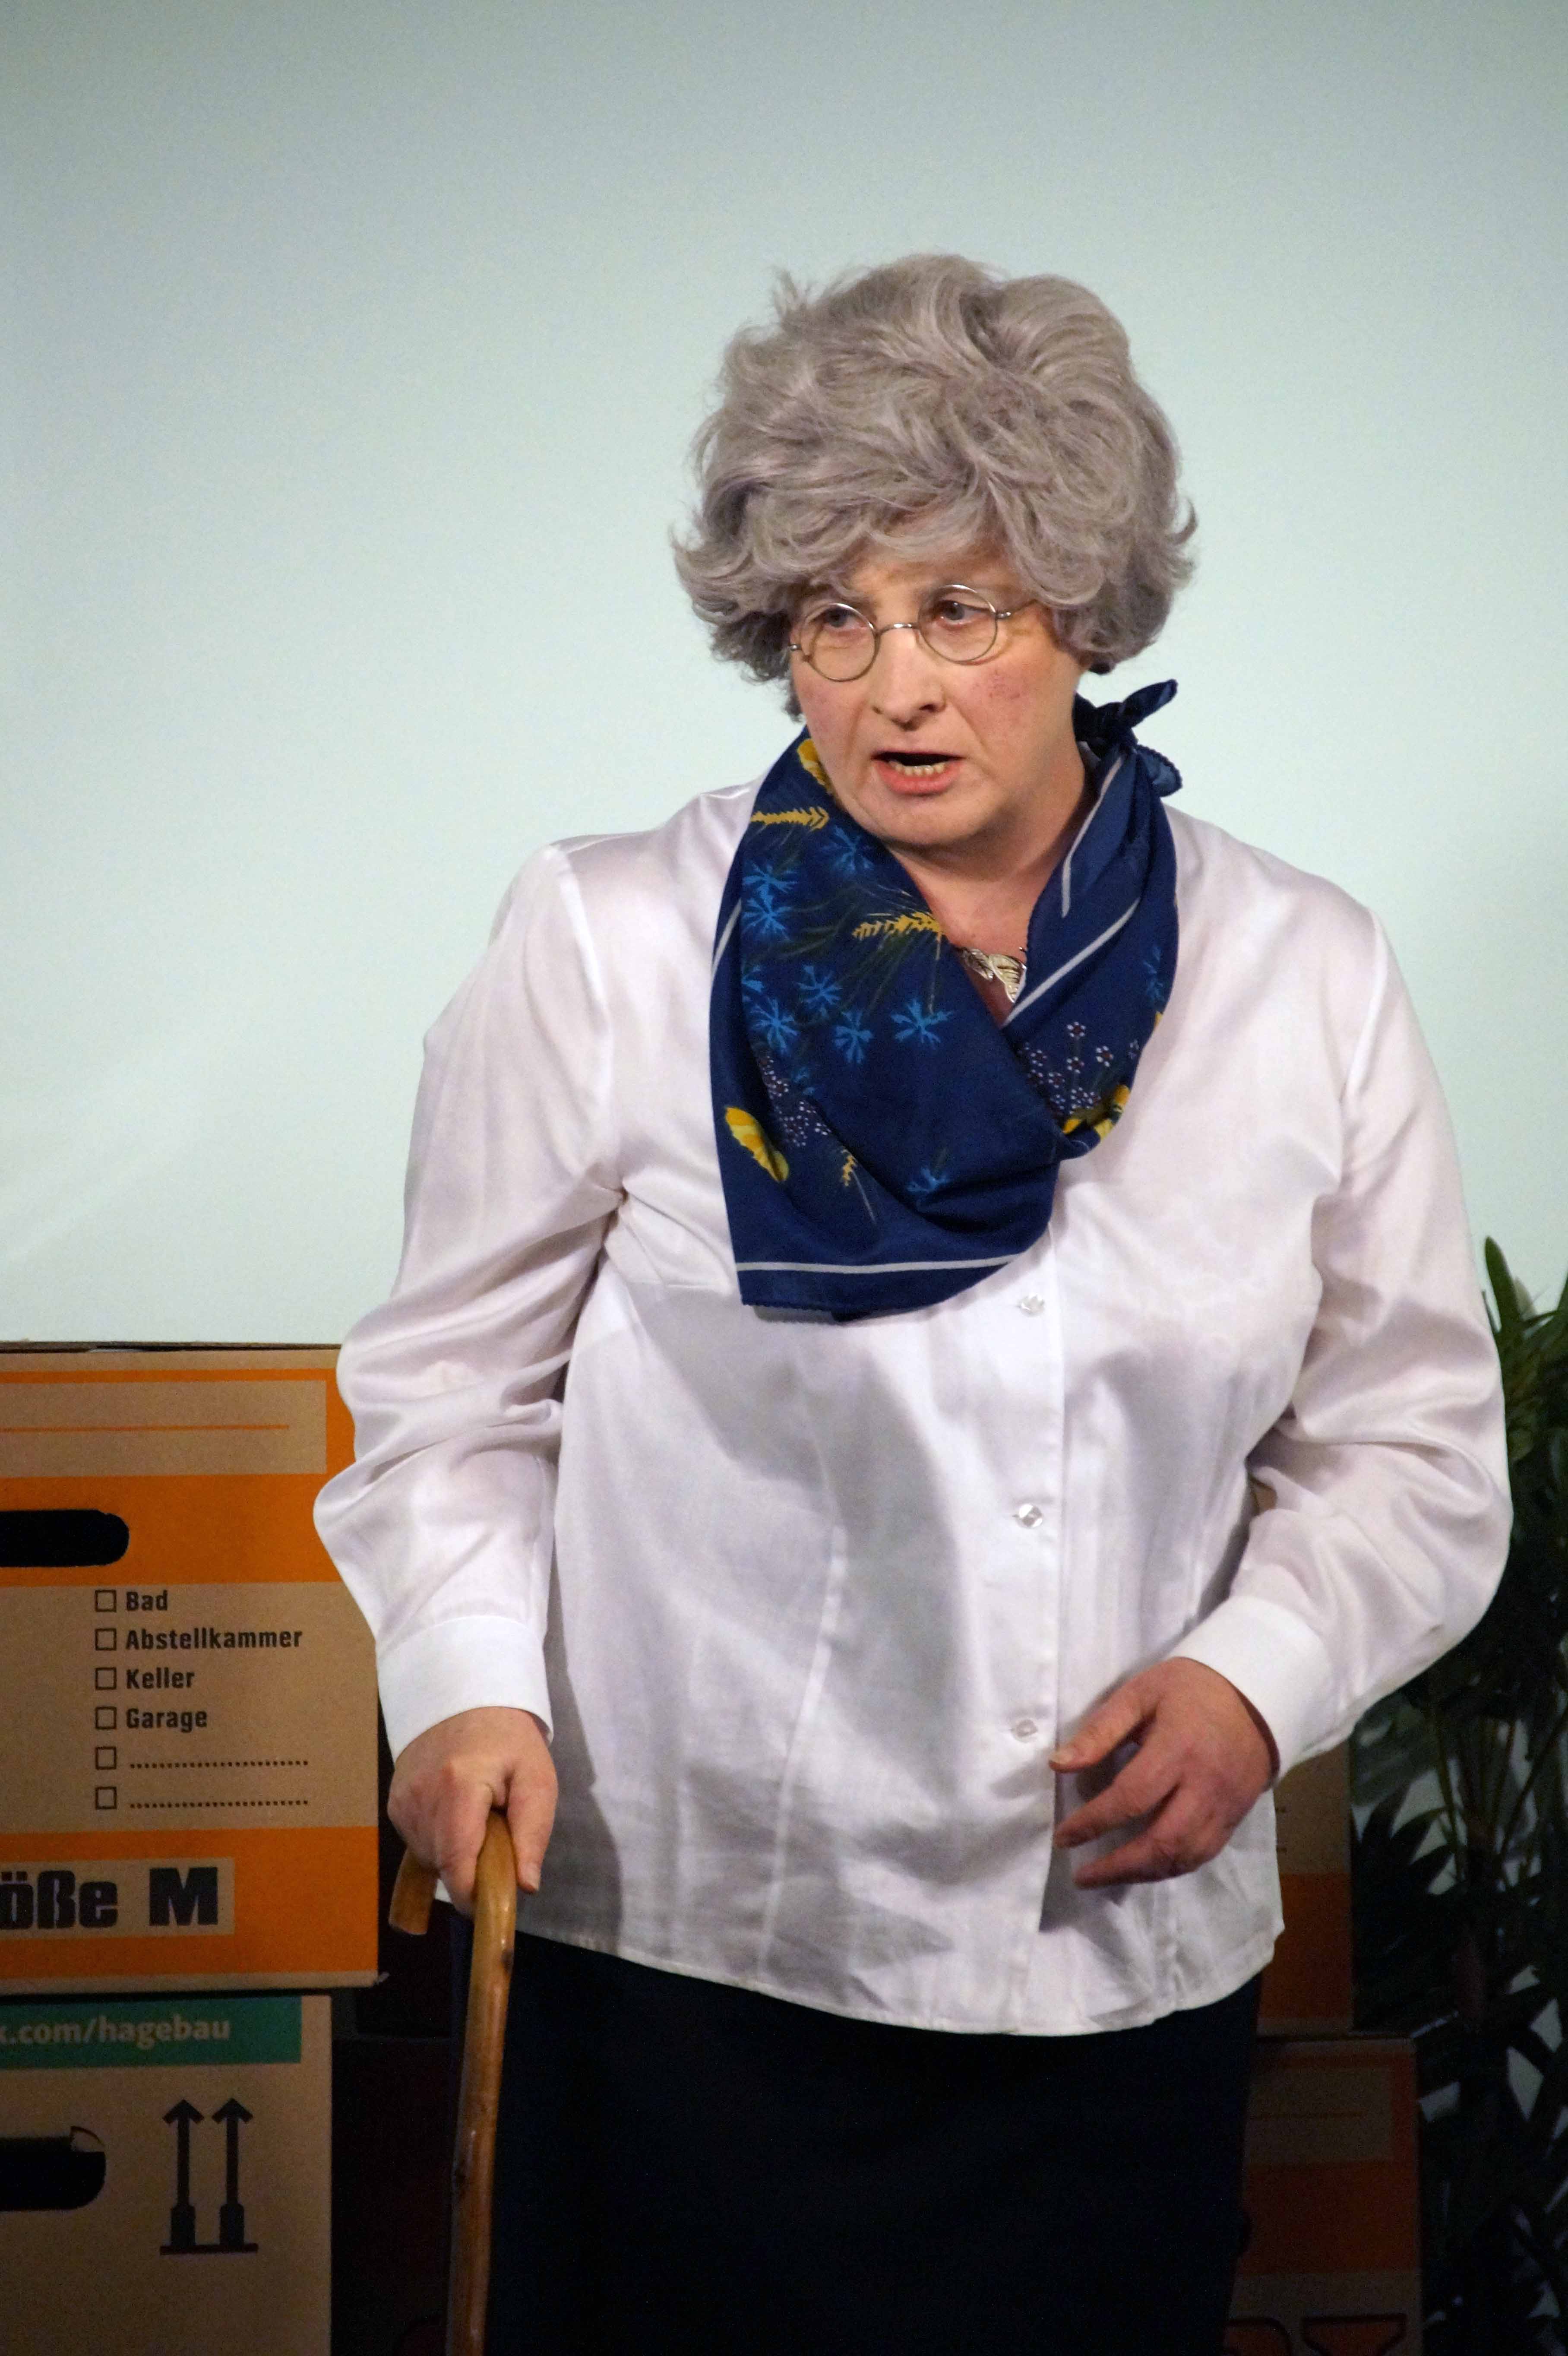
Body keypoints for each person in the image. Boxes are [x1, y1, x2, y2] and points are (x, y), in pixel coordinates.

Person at [315, 256, 1509, 2354]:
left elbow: (1407, 1442)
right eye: (831, 618)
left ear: (1086, 613)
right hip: (691, 1952)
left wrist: (1254, 1681)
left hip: (1112, 1969)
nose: (892, 687)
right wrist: (464, 1682)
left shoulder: (1300, 970)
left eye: (961, 610)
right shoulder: (608, 937)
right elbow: (449, 1389)